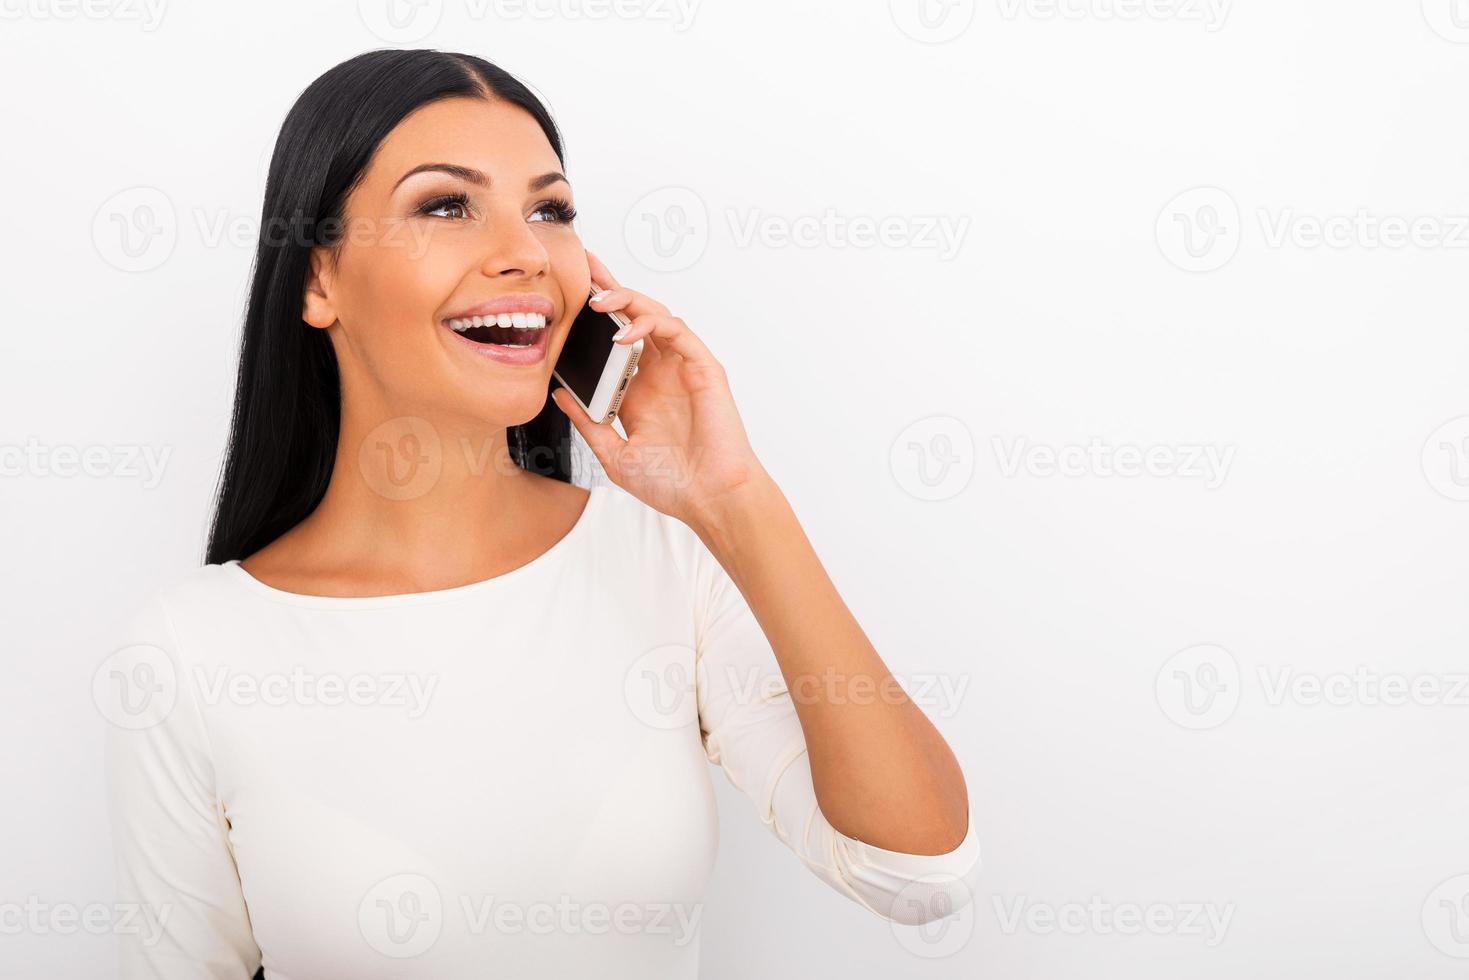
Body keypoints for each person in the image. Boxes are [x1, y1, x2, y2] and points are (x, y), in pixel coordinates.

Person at [102, 48, 980, 979]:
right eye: (445, 205)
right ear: (318, 280)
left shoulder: (665, 565)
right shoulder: (187, 652)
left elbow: (917, 876)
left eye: (550, 210)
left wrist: (734, 504)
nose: (524, 250)